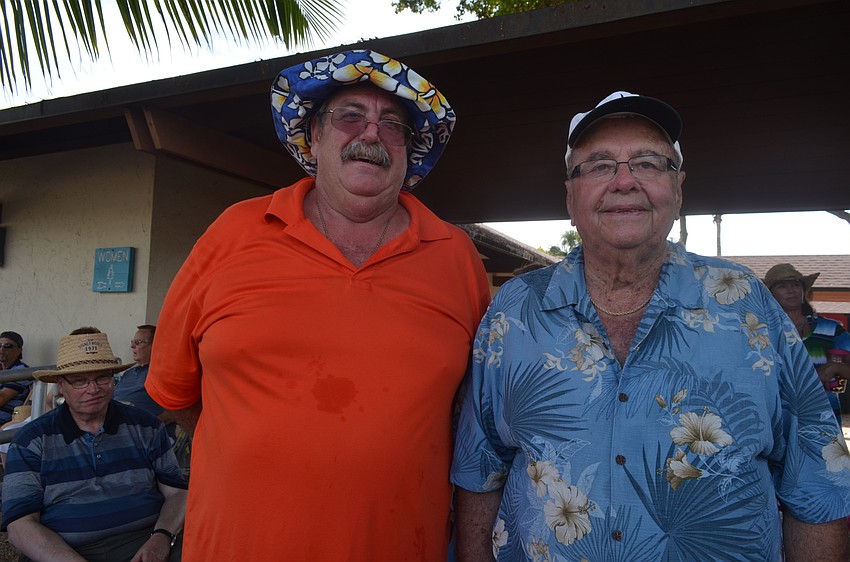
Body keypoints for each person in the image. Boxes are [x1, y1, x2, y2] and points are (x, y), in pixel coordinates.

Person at [451, 91, 850, 561]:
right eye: (599, 166)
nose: (624, 181)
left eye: (647, 163)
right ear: (570, 197)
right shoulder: (515, 310)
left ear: (678, 190)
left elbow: (817, 478)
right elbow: (480, 469)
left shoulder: (746, 304)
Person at [145, 50, 491, 561]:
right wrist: (259, 449)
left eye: (393, 125)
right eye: (350, 116)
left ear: (410, 151)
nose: (372, 134)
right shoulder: (233, 233)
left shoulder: (455, 255)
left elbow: (475, 411)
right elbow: (173, 392)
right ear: (314, 135)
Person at [1, 330, 187, 562]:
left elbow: (177, 492)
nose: (93, 389)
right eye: (80, 380)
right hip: (61, 550)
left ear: (113, 380)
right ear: (61, 385)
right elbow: (20, 526)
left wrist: (162, 537)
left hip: (143, 541)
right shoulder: (31, 440)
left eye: (102, 378)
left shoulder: (146, 427)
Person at [765, 263, 850, 423]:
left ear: (804, 291)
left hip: (824, 420)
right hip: (777, 422)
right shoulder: (761, 333)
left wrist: (836, 367)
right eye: (782, 286)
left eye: (796, 285)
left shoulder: (830, 329)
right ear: (770, 295)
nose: (791, 290)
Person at [114, 325, 163, 416]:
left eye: (138, 342)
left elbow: (175, 410)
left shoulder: (161, 373)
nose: (132, 346)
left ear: (154, 345)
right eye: (133, 342)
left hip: (142, 423)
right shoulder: (128, 373)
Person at [0, 331, 33, 425]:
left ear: (19, 350)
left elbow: (1, 399)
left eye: (7, 346)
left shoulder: (21, 371)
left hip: (6, 424)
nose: (1, 349)